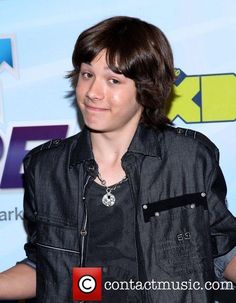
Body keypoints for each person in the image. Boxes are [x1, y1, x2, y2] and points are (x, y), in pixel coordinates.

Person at [0, 16, 236, 303]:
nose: (93, 93)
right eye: (87, 75)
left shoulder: (189, 158)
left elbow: (224, 249)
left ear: (145, 89)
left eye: (113, 80)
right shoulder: (46, 168)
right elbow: (44, 267)